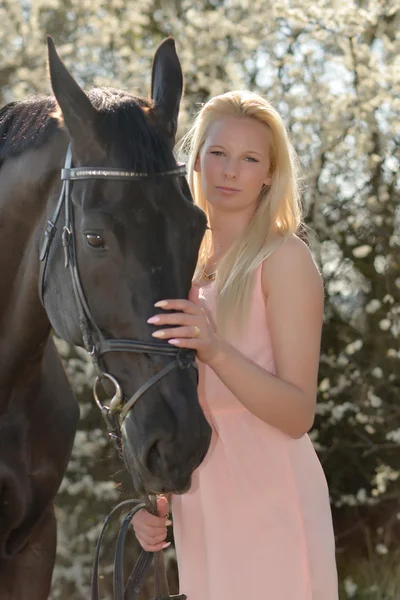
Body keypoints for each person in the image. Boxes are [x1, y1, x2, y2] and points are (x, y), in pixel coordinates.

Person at [131, 90, 338, 599]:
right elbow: (162, 399)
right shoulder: (179, 268)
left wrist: (217, 349)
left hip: (272, 493)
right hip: (200, 497)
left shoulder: (283, 259)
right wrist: (154, 498)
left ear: (269, 174)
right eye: (218, 153)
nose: (230, 171)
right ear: (196, 159)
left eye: (249, 160)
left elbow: (297, 414)